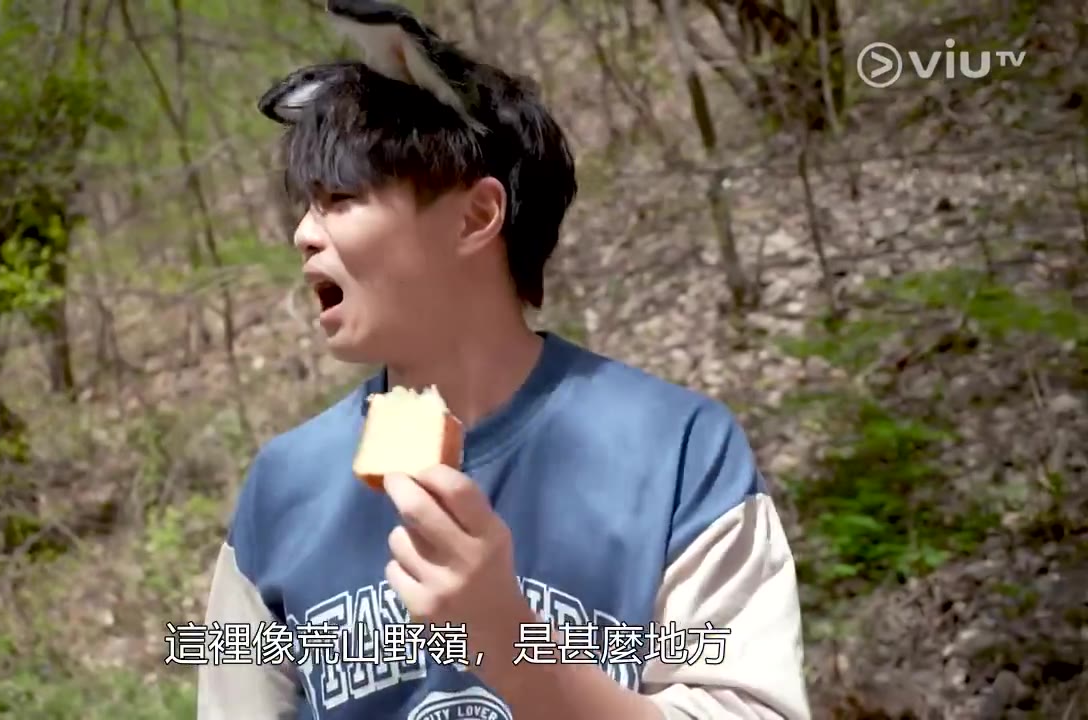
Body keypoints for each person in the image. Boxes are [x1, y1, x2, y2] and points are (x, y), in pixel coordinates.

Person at [198, 5, 808, 719]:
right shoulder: (283, 488)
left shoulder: (678, 452)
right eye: (307, 205)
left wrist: (509, 641)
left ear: (475, 217)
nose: (304, 233)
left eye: (341, 199)